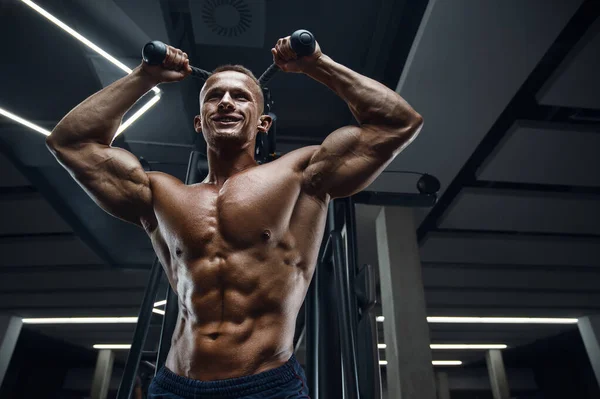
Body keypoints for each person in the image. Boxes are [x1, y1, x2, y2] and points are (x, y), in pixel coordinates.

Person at [46, 35, 423, 398]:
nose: (225, 102)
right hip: (176, 385)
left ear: (263, 123)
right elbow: (71, 143)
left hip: (266, 387)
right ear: (199, 121)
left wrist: (317, 65)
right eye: (214, 97)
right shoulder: (160, 194)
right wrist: (143, 77)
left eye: (241, 96)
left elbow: (396, 123)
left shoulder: (303, 175)